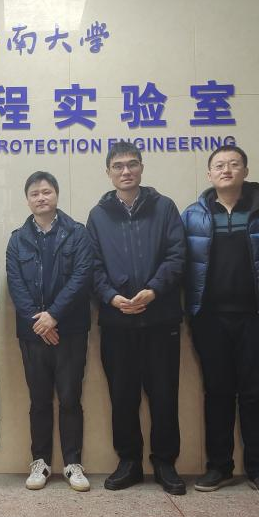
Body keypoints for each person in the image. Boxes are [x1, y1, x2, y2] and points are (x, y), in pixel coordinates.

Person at [182, 145, 259, 500]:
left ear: (245, 171)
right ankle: (219, 467)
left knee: (254, 392)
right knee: (217, 392)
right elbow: (183, 263)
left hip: (257, 317)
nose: (226, 170)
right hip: (209, 319)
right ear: (209, 174)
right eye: (219, 165)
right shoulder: (194, 215)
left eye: (234, 164)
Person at [87, 141, 187, 495]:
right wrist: (111, 297)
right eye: (118, 166)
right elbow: (92, 265)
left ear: (142, 167)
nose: (126, 171)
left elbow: (178, 255)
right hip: (117, 323)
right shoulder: (98, 215)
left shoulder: (165, 207)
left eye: (132, 164)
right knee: (122, 396)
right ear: (108, 172)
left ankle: (165, 463)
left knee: (164, 395)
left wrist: (154, 290)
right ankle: (128, 461)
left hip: (160, 319)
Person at [6, 172, 93, 492]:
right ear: (27, 200)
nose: (41, 197)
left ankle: (73, 463)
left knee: (70, 398)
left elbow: (82, 276)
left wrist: (54, 316)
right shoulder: (17, 239)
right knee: (39, 399)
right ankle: (40, 462)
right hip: (33, 334)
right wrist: (39, 322)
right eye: (35, 193)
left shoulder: (78, 233)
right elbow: (15, 283)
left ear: (56, 195)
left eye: (46, 192)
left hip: (70, 330)